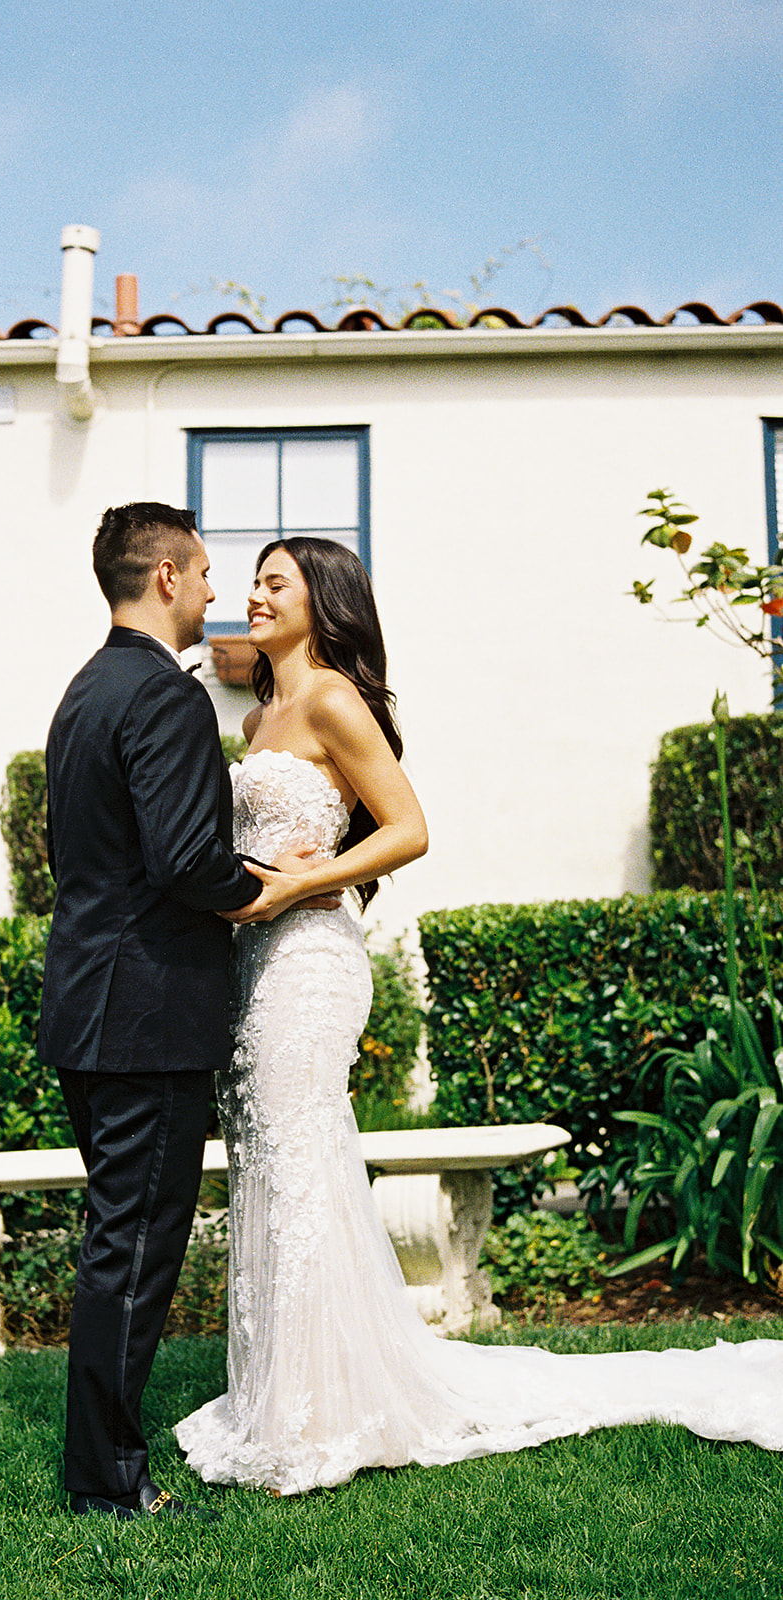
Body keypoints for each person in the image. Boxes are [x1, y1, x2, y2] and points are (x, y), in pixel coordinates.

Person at [175, 535, 783, 1496]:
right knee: (275, 1165)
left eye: (274, 582)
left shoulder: (332, 696)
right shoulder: (259, 717)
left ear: (320, 601)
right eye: (251, 580)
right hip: (251, 968)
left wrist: (306, 884)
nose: (252, 595)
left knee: (300, 1164)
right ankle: (282, 1391)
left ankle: (324, 1410)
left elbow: (410, 827)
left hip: (311, 966)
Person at [39, 504, 329, 1522]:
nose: (215, 592)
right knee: (134, 1242)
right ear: (163, 575)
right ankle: (106, 1479)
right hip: (145, 1017)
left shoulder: (83, 691)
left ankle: (101, 1458)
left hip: (89, 1007)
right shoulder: (159, 695)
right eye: (204, 572)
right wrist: (274, 877)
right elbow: (182, 862)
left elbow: (85, 856)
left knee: (118, 1234)